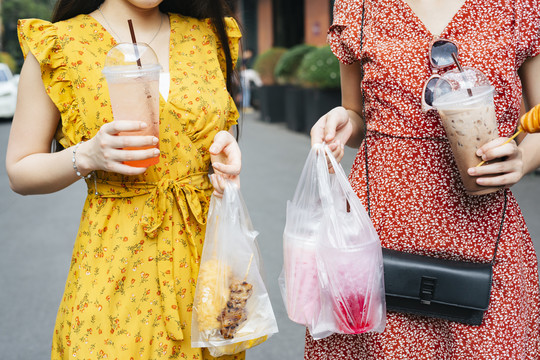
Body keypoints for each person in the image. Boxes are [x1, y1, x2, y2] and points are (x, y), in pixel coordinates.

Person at [6, 0, 244, 359]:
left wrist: (222, 153)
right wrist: (88, 155)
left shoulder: (207, 35)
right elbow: (19, 170)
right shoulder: (61, 44)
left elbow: (209, 141)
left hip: (205, 261)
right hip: (115, 263)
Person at [308, 0, 540, 358]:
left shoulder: (519, 5)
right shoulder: (361, 6)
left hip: (483, 230)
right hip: (377, 231)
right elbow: (358, 114)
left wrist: (521, 160)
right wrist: (344, 121)